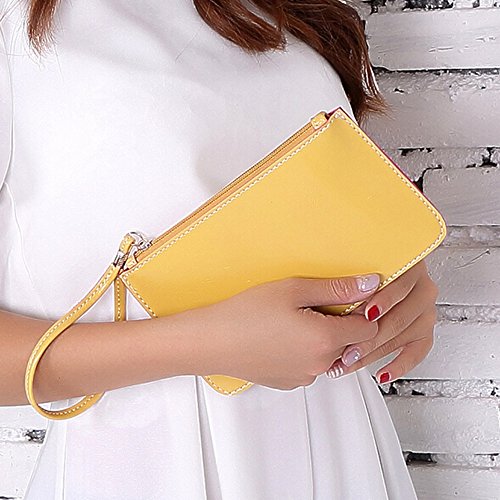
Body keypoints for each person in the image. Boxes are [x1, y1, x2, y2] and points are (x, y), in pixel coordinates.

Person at [0, 1, 439, 498]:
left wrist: (390, 287)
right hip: (147, 464)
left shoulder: (280, 11)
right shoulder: (15, 27)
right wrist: (206, 346)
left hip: (342, 441)